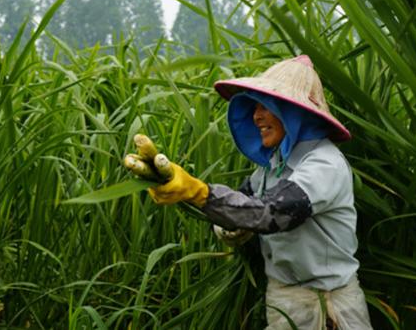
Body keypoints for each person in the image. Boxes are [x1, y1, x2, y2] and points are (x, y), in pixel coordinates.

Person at [125, 55, 373, 329]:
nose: (256, 116)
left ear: (294, 113)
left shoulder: (324, 164)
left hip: (329, 308)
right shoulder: (273, 166)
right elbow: (246, 204)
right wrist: (227, 225)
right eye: (255, 106)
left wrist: (197, 191)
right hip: (285, 302)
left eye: (266, 106)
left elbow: (271, 213)